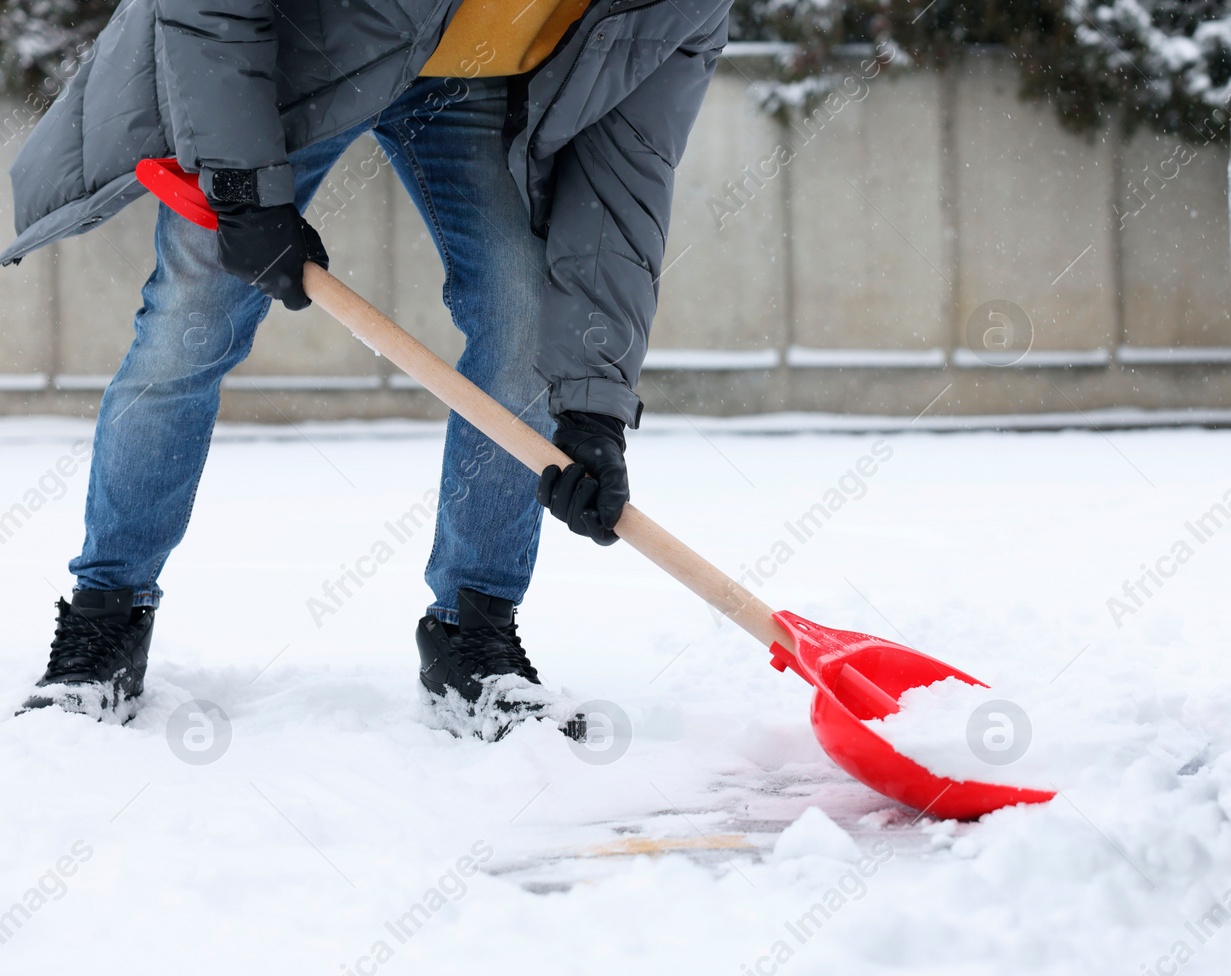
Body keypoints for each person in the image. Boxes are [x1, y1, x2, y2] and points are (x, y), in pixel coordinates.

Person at [2, 0, 730, 739]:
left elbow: (624, 180)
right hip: (299, 50)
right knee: (192, 321)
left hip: (468, 79)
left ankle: (471, 634)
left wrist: (593, 408)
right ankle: (106, 618)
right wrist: (244, 186)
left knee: (525, 317)